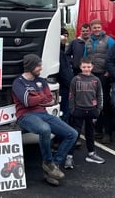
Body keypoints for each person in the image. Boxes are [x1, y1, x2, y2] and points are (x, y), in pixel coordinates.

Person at [11, 54, 78, 186]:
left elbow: (50, 99)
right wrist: (40, 97)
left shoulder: (41, 80)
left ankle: (53, 165)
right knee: (45, 129)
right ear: (30, 66)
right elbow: (27, 102)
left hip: (43, 113)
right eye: (38, 65)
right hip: (25, 116)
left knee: (73, 134)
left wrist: (37, 97)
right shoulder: (18, 82)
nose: (41, 68)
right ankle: (48, 162)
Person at [64, 57, 105, 169]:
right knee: (74, 134)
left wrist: (98, 109)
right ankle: (69, 156)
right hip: (78, 110)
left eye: (88, 67)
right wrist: (72, 109)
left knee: (90, 133)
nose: (86, 69)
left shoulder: (96, 80)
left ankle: (91, 154)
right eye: (84, 67)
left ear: (92, 67)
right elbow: (71, 96)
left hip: (92, 110)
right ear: (80, 67)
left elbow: (100, 95)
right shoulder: (75, 79)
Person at [84, 19, 115, 144]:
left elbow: (113, 56)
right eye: (94, 27)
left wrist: (109, 71)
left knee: (105, 103)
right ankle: (98, 130)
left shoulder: (109, 40)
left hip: (104, 75)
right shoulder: (89, 41)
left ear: (101, 27)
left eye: (98, 27)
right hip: (92, 75)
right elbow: (85, 58)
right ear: (91, 28)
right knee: (95, 104)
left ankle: (108, 132)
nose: (96, 29)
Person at [58, 27, 74, 123]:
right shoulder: (59, 53)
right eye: (63, 35)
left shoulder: (63, 50)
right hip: (64, 87)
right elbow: (64, 71)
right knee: (65, 111)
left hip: (64, 86)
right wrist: (71, 85)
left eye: (67, 36)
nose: (65, 38)